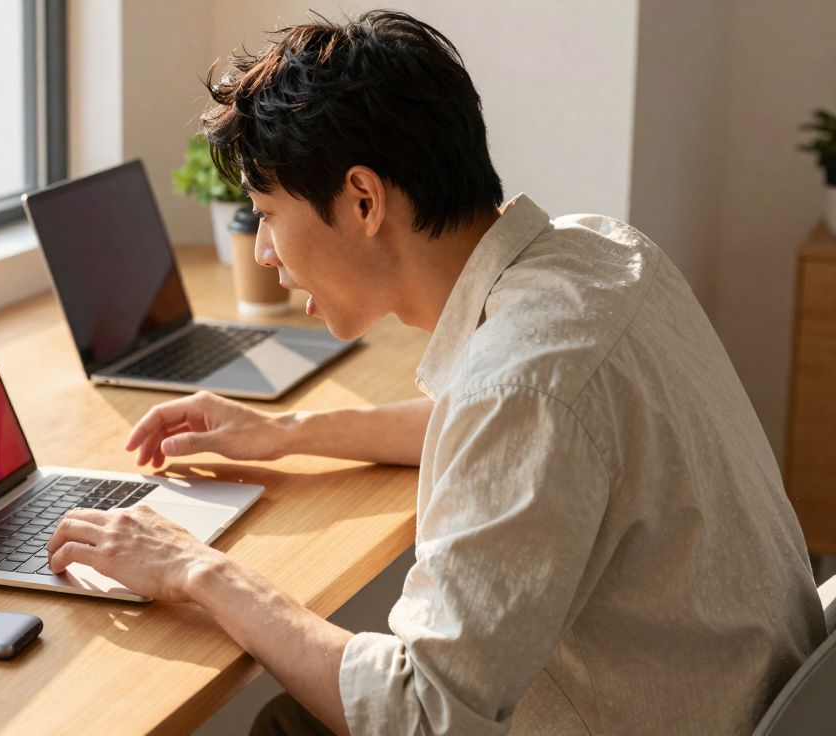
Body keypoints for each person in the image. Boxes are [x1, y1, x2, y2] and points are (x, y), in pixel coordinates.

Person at [46, 10, 825, 735]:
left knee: (287, 725)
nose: (265, 254)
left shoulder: (521, 387)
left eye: (269, 214)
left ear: (362, 200)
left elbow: (424, 714)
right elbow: (510, 428)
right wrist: (285, 432)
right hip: (764, 695)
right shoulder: (599, 255)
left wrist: (199, 570)